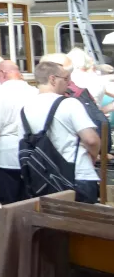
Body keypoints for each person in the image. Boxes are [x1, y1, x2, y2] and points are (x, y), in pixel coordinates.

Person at [20, 57, 102, 203]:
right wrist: (93, 156)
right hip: (77, 176)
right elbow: (91, 139)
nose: (69, 83)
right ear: (53, 79)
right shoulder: (70, 104)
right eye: (66, 78)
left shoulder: (26, 108)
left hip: (43, 179)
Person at [0, 60, 37, 205]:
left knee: (7, 203)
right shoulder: (34, 92)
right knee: (27, 203)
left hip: (5, 157)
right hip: (31, 154)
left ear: (3, 73)